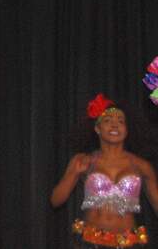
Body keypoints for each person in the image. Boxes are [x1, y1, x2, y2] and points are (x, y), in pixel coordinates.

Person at [51, 93, 158, 247]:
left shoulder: (141, 165)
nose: (115, 125)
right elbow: (55, 200)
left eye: (120, 121)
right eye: (108, 121)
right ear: (97, 128)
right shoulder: (84, 160)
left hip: (129, 243)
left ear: (127, 129)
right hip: (90, 241)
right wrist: (74, 174)